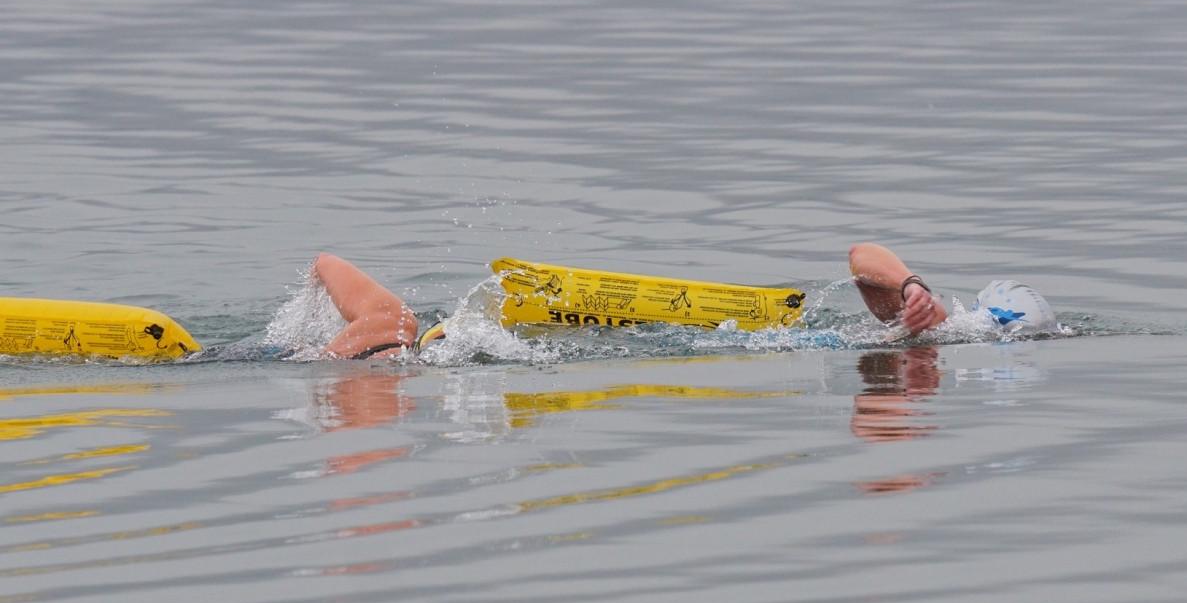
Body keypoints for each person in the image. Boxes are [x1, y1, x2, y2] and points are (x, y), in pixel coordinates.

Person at [312, 242, 1052, 358]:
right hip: (430, 354)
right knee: (395, 350)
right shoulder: (931, 318)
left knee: (398, 347)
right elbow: (864, 259)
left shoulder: (904, 351)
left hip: (440, 347)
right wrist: (917, 289)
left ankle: (349, 338)